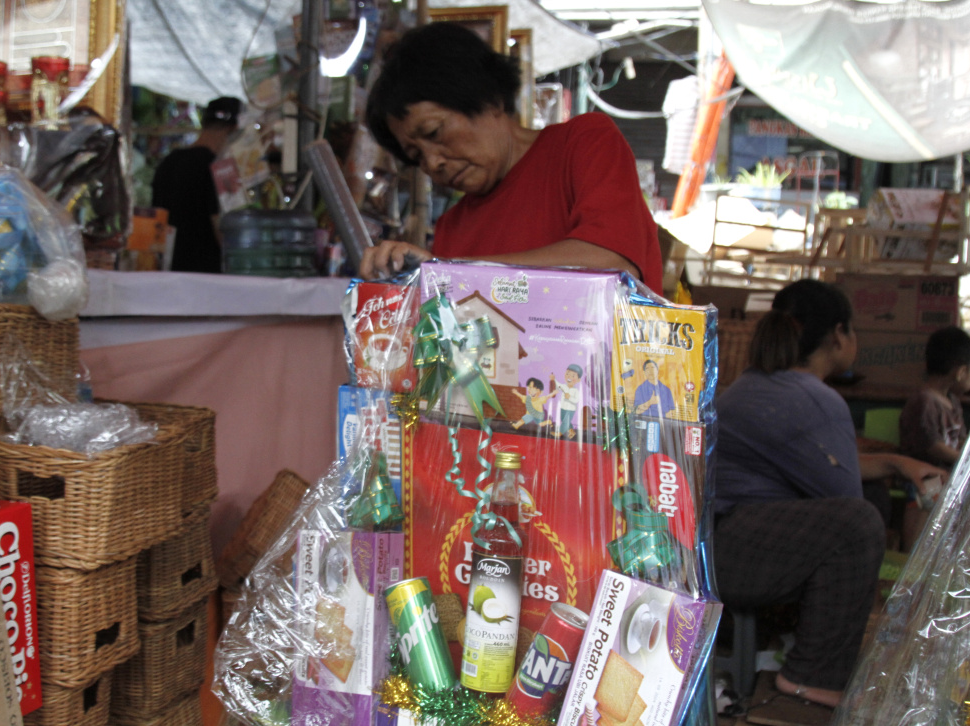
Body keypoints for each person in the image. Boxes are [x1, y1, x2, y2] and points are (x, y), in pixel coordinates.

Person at [713, 279, 945, 708]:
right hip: (731, 557)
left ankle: (803, 641)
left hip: (719, 545)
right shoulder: (815, 400)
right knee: (860, 523)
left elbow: (832, 472)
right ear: (839, 334)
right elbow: (848, 503)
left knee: (868, 503)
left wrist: (896, 462)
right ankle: (810, 675)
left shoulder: (754, 383)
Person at [360, 23, 662, 294]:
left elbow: (612, 268)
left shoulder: (584, 143)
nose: (433, 162)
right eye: (416, 156)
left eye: (435, 132)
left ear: (489, 98)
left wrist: (453, 272)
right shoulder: (452, 227)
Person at [152, 96, 245, 273]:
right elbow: (226, 230)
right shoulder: (223, 168)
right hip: (208, 276)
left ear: (203, 124)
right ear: (233, 131)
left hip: (169, 272)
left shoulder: (168, 163)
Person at [899, 325, 970, 468]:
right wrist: (964, 462)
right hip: (924, 478)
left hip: (948, 476)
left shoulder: (953, 401)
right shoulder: (923, 402)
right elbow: (932, 447)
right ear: (961, 372)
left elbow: (961, 440)